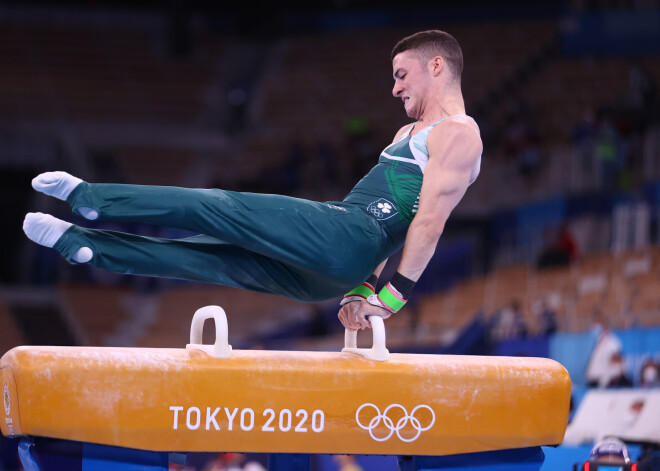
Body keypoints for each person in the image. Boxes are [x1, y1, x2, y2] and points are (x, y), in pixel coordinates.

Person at [22, 30, 482, 332]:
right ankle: (83, 244)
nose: (395, 88)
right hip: (337, 267)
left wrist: (392, 298)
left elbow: (428, 222)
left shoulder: (459, 133)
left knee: (218, 207)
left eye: (402, 75)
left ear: (437, 66)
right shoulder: (408, 133)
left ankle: (89, 197)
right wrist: (363, 289)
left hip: (349, 233)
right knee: (205, 259)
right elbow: (395, 227)